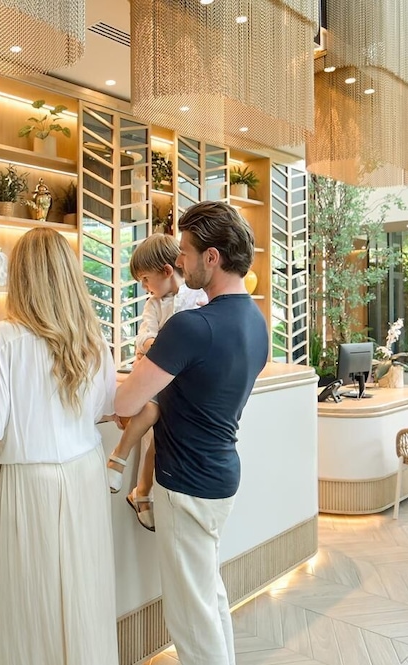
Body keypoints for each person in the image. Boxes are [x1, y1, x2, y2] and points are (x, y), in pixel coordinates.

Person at [115, 201, 269, 665]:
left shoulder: (191, 326)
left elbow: (125, 403)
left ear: (212, 257)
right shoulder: (255, 322)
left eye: (184, 250)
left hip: (186, 484)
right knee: (208, 597)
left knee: (191, 616)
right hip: (221, 476)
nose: (179, 260)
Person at [0, 228, 118, 665]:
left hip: (31, 483)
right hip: (85, 471)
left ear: (20, 276)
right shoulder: (93, 336)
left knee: (30, 603)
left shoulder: (5, 336)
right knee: (85, 592)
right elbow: (105, 408)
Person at [106, 233, 207, 531]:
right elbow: (144, 339)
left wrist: (160, 347)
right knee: (151, 413)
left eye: (145, 279)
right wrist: (163, 347)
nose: (144, 287)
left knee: (160, 436)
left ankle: (142, 491)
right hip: (160, 378)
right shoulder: (154, 304)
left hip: (182, 382)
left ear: (166, 270)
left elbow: (185, 342)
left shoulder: (196, 296)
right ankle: (120, 461)